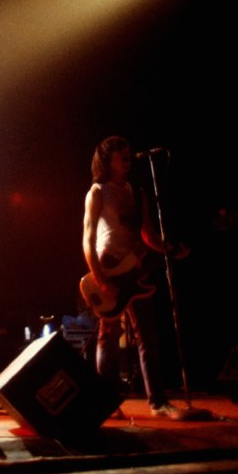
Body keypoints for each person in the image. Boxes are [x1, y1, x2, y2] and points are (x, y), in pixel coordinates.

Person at [82, 135, 180, 419]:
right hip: (109, 264)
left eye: (127, 151)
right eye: (120, 153)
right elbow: (87, 239)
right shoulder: (97, 191)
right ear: (106, 159)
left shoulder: (137, 192)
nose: (127, 155)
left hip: (135, 268)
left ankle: (158, 402)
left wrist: (171, 249)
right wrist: (101, 279)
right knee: (108, 336)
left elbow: (148, 235)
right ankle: (107, 402)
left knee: (148, 336)